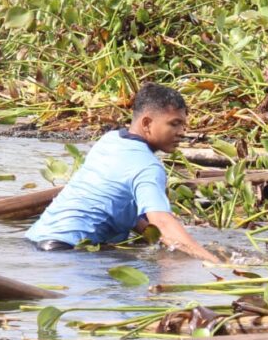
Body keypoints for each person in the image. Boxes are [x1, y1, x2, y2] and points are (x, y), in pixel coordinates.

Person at [24, 83, 220, 263]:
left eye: (183, 125)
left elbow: (118, 205)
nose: (182, 132)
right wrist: (213, 263)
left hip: (35, 241)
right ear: (146, 124)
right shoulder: (148, 167)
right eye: (174, 124)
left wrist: (164, 239)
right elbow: (162, 222)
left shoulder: (110, 140)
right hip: (65, 253)